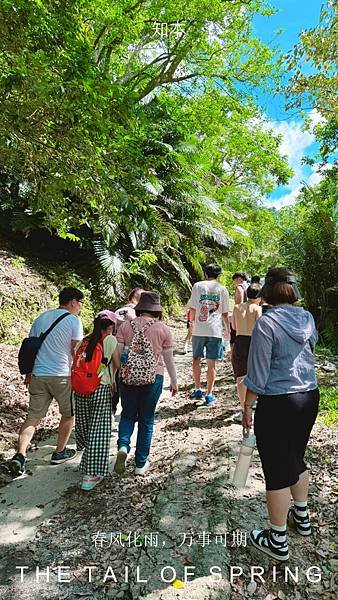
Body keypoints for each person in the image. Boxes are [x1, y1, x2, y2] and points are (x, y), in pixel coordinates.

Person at [243, 267, 319, 561]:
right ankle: (302, 518)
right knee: (295, 458)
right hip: (308, 397)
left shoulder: (266, 323)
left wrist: (247, 407)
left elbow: (258, 374)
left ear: (268, 291)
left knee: (276, 470)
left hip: (277, 402)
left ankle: (277, 541)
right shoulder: (308, 318)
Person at [9, 287, 84, 477]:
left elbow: (30, 346)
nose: (80, 307)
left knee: (33, 417)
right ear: (73, 302)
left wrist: (28, 372)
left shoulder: (41, 317)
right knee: (68, 414)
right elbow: (75, 349)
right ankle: (59, 452)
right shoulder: (74, 320)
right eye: (80, 303)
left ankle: (20, 455)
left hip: (38, 375)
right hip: (62, 376)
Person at [113, 291, 178, 476]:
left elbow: (117, 353)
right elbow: (169, 360)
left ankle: (123, 445)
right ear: (156, 310)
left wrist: (120, 372)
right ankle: (140, 464)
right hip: (153, 377)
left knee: (127, 414)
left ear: (140, 307)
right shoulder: (163, 329)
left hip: (128, 376)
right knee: (146, 420)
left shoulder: (125, 326)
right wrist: (174, 380)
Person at [74, 310, 120, 491]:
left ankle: (87, 461)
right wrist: (113, 378)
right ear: (110, 327)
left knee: (85, 426)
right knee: (99, 430)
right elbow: (116, 363)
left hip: (80, 390)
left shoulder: (82, 342)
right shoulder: (109, 340)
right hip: (100, 389)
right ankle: (91, 474)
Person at [188, 263, 230, 406]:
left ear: (205, 273)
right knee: (212, 363)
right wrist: (228, 329)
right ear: (219, 275)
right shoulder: (222, 289)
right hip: (215, 330)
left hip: (199, 329)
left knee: (196, 359)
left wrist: (191, 324)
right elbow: (225, 313)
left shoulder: (197, 286)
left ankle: (198, 388)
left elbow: (193, 308)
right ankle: (209, 394)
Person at [231, 284, 262, 420]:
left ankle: (243, 408)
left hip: (239, 341)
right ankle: (252, 407)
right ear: (259, 297)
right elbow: (260, 327)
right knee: (255, 374)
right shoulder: (258, 309)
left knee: (240, 376)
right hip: (253, 342)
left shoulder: (237, 308)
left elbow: (233, 326)